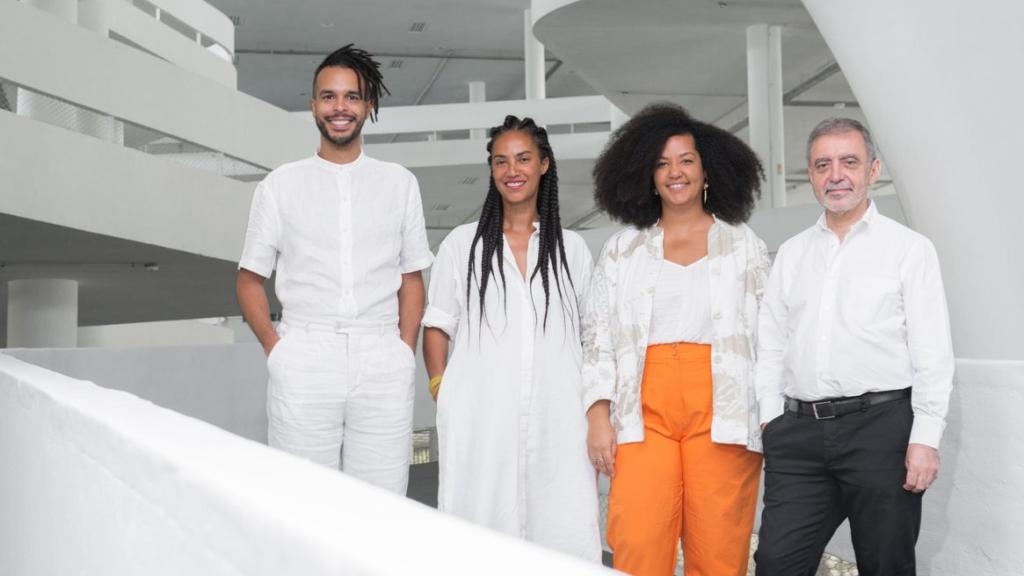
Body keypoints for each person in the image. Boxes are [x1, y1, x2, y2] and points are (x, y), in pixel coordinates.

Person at [753, 118, 955, 576]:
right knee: (775, 563)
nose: (836, 175)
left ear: (873, 170)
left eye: (849, 162)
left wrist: (925, 439)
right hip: (798, 435)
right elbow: (772, 343)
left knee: (885, 565)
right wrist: (770, 418)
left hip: (881, 431)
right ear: (810, 174)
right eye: (823, 165)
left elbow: (932, 353)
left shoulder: (909, 250)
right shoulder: (791, 253)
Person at [235, 45, 432, 495]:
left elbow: (411, 278)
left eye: (351, 97)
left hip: (383, 354)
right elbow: (249, 279)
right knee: (302, 500)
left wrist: (404, 350)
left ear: (369, 106)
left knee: (382, 502)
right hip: (305, 353)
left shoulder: (399, 183)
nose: (339, 107)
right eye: (328, 97)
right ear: (313, 106)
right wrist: (277, 349)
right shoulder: (280, 185)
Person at [583, 102, 769, 576]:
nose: (675, 172)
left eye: (686, 160)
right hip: (642, 412)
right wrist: (599, 415)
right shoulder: (624, 250)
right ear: (648, 175)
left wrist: (770, 416)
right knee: (638, 543)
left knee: (720, 549)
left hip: (723, 410)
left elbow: (771, 336)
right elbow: (597, 336)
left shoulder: (742, 245)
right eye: (662, 163)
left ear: (707, 170)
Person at [421, 115, 601, 561]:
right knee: (478, 535)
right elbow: (437, 324)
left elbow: (593, 335)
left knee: (563, 530)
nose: (512, 170)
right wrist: (442, 389)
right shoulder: (463, 246)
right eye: (500, 161)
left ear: (544, 165)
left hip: (558, 420)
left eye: (523, 159)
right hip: (481, 420)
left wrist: (598, 409)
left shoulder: (571, 249)